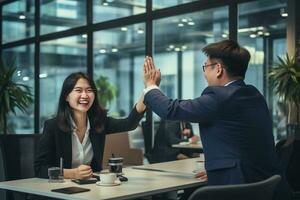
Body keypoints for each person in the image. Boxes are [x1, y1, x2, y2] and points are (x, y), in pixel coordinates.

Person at [142, 40, 290, 200]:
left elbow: (171, 110)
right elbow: (246, 144)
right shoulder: (255, 95)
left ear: (218, 69)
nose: (204, 73)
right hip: (266, 187)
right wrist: (220, 169)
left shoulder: (218, 97)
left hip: (236, 189)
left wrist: (151, 86)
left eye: (205, 67)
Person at [34, 72, 146, 180]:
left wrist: (148, 89)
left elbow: (129, 124)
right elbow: (40, 169)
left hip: (89, 187)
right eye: (78, 90)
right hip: (57, 190)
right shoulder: (53, 126)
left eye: (89, 90)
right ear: (66, 97)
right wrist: (71, 173)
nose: (84, 95)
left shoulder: (99, 123)